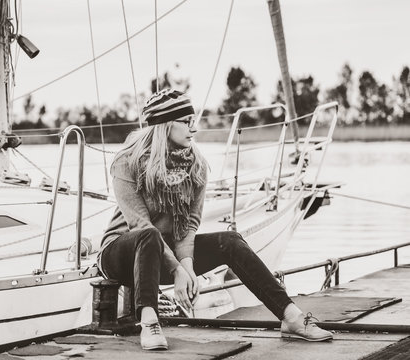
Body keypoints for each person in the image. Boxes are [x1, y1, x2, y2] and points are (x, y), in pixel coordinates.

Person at [97, 89, 332, 350]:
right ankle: (150, 322)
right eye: (186, 121)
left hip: (165, 254)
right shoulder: (127, 161)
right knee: (149, 235)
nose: (193, 128)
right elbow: (140, 225)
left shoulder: (194, 163)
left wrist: (186, 266)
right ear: (165, 125)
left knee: (230, 241)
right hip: (121, 255)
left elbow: (188, 224)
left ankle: (291, 317)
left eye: (193, 120)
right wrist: (176, 270)